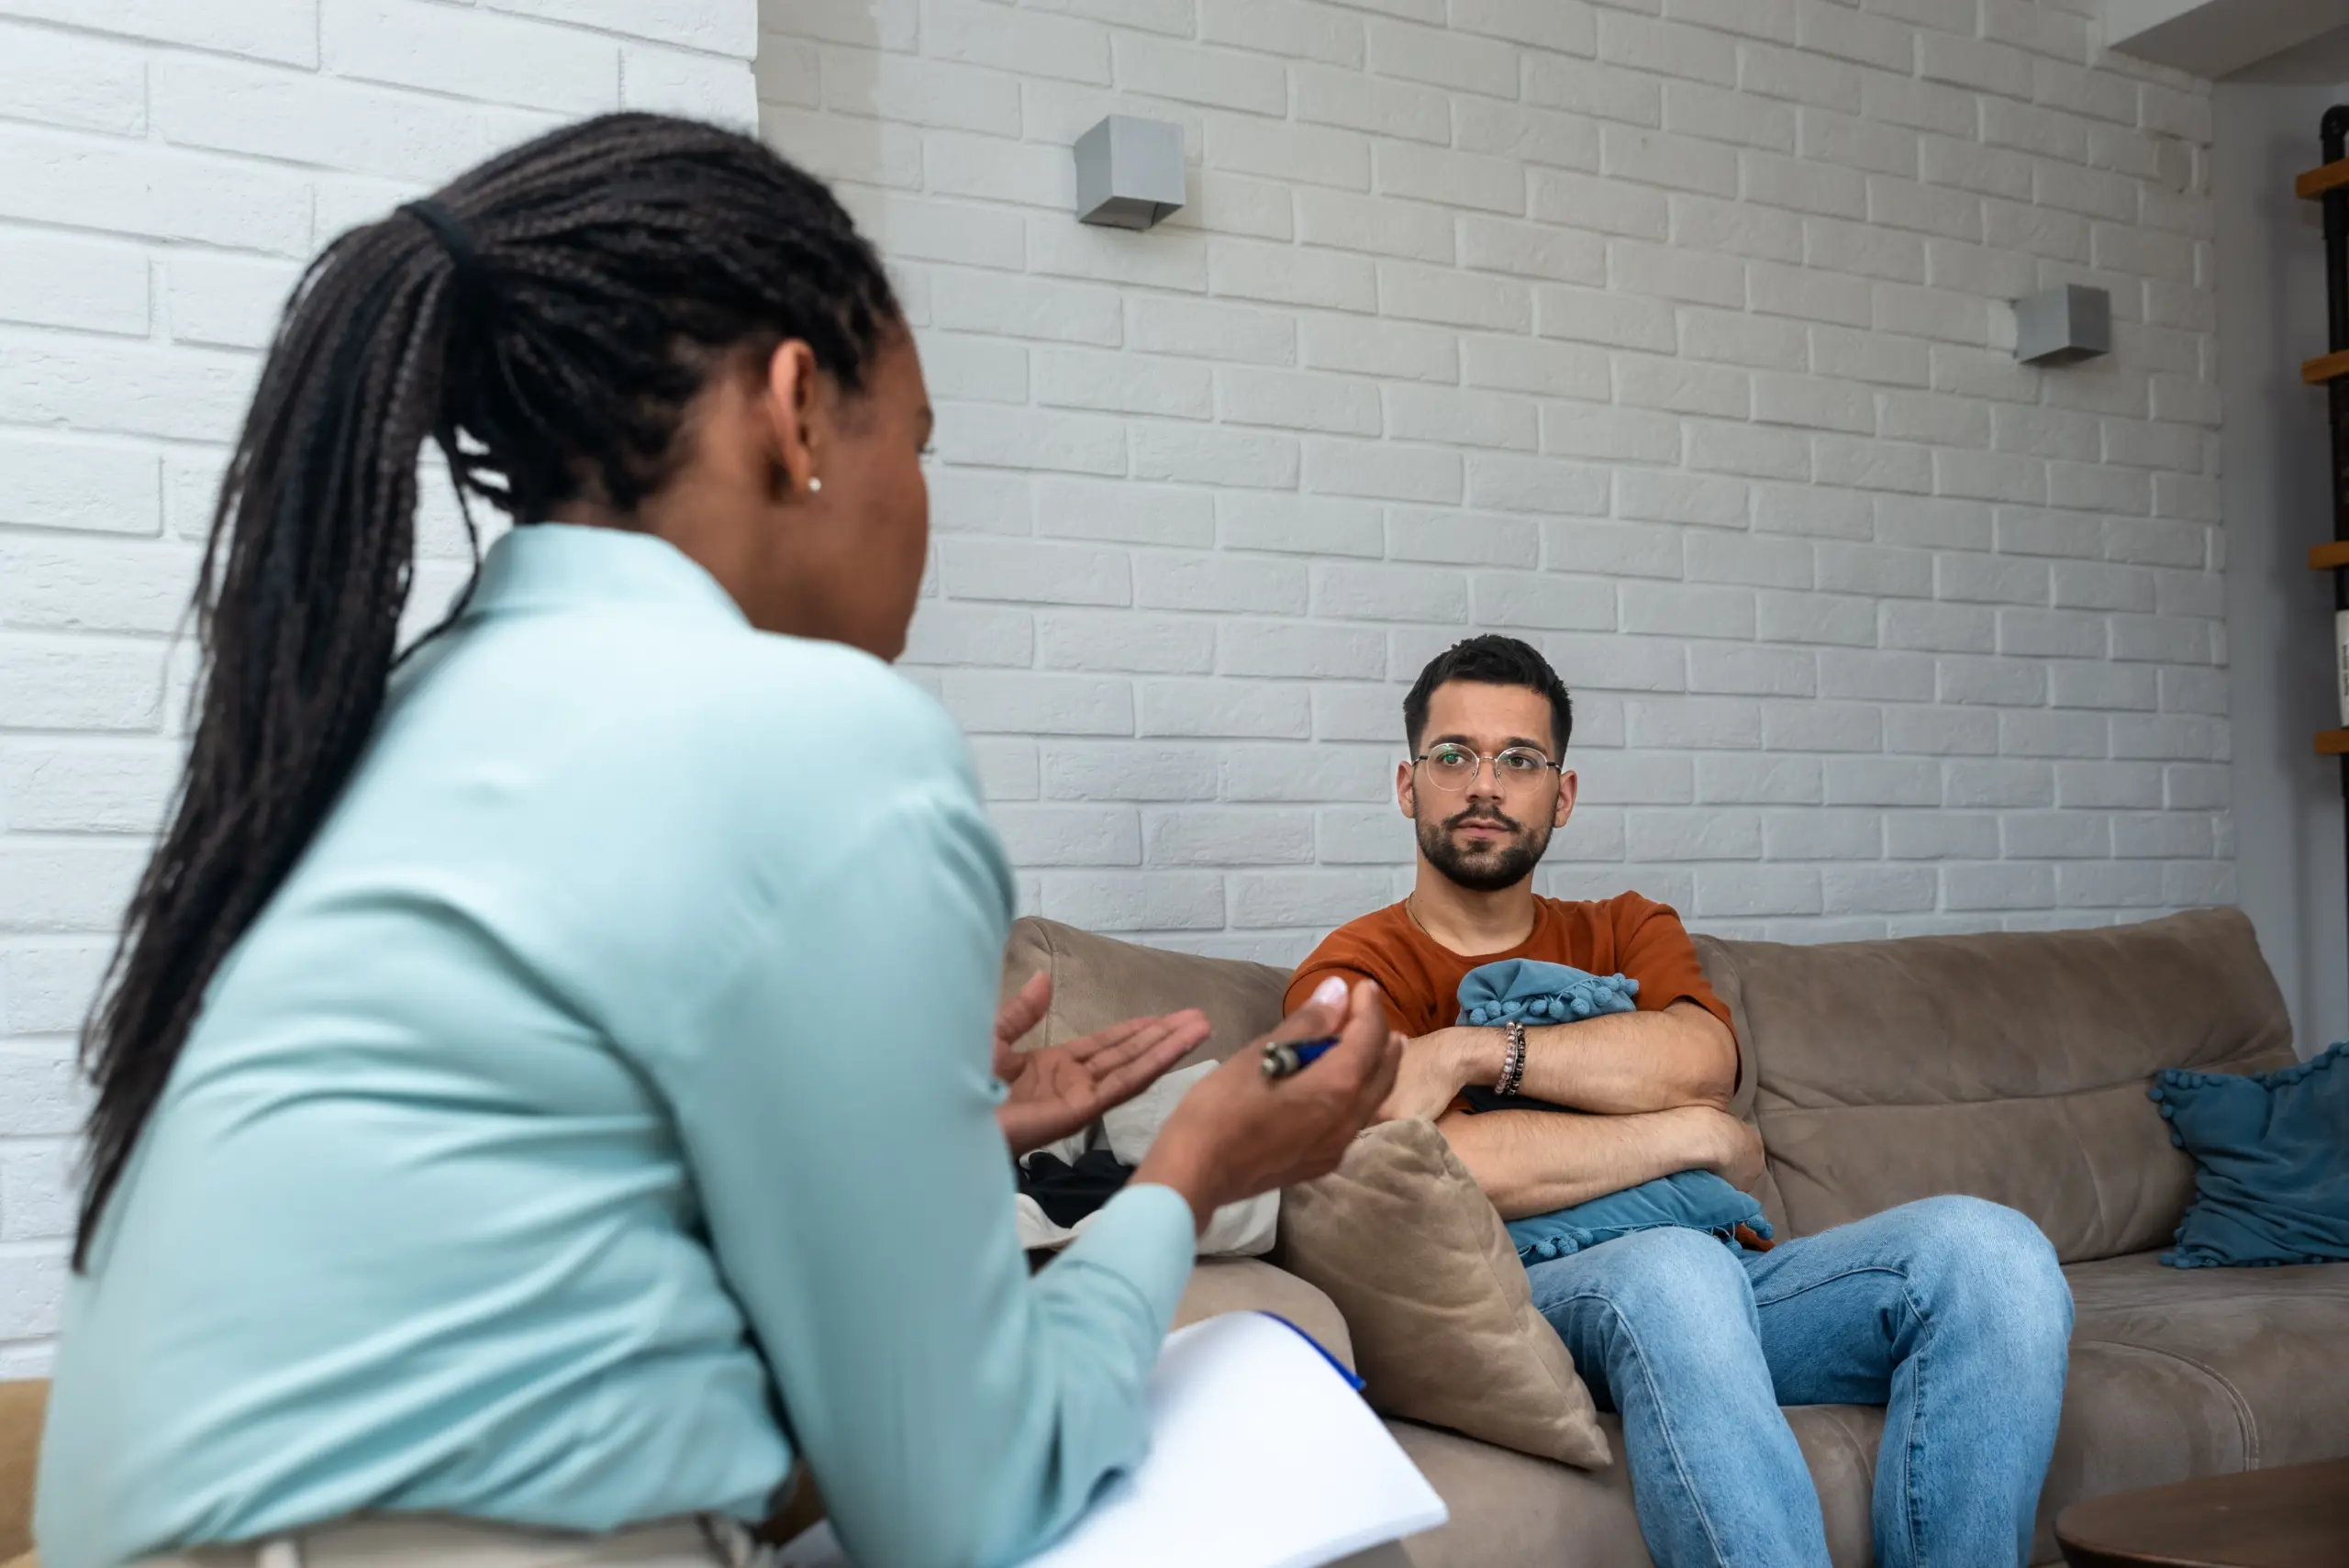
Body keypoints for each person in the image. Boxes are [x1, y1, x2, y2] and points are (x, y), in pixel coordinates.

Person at [38, 115, 1401, 1568]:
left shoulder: (381, 725)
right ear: (797, 409)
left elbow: (516, 1237)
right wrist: (1189, 1171)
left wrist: (931, 1136)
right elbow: (964, 1506)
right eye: (922, 446)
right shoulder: (826, 741)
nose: (926, 512)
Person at [1286, 635, 2075, 1568]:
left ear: (1562, 795)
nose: (1483, 784)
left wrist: (1468, 1047)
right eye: (1452, 755)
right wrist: (1691, 1135)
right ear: (1406, 784)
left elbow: (1701, 1058)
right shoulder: (1353, 970)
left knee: (1994, 1250)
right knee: (1673, 1270)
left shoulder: (1626, 926)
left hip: (1729, 1288)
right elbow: (1434, 1160)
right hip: (1534, 1301)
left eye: (1520, 759)